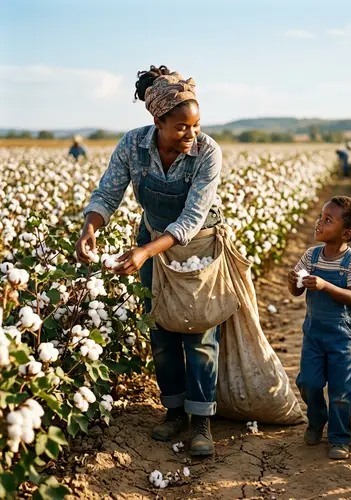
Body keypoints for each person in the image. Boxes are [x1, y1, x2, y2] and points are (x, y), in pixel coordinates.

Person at [76, 65, 224, 457]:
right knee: (159, 327)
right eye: (180, 127)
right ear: (157, 121)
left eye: (195, 126)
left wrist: (144, 251)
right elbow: (107, 193)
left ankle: (202, 421)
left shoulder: (207, 152)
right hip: (153, 239)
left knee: (198, 330)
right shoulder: (132, 145)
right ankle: (174, 411)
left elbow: (192, 219)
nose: (191, 135)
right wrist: (90, 227)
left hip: (198, 244)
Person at [287, 196, 351, 460]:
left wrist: (325, 286)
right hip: (313, 333)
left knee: (341, 391)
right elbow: (296, 292)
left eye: (327, 220)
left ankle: (339, 438)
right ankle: (316, 418)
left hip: (342, 336)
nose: (318, 223)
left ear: (346, 233)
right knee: (308, 383)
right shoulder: (311, 256)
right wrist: (294, 281)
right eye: (321, 217)